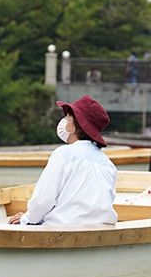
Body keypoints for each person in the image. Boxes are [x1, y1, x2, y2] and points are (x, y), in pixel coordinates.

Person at [9, 96, 117, 226]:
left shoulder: (63, 154)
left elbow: (43, 200)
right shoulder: (108, 164)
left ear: (75, 126)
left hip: (63, 229)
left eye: (68, 117)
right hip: (101, 229)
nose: (64, 121)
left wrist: (26, 218)